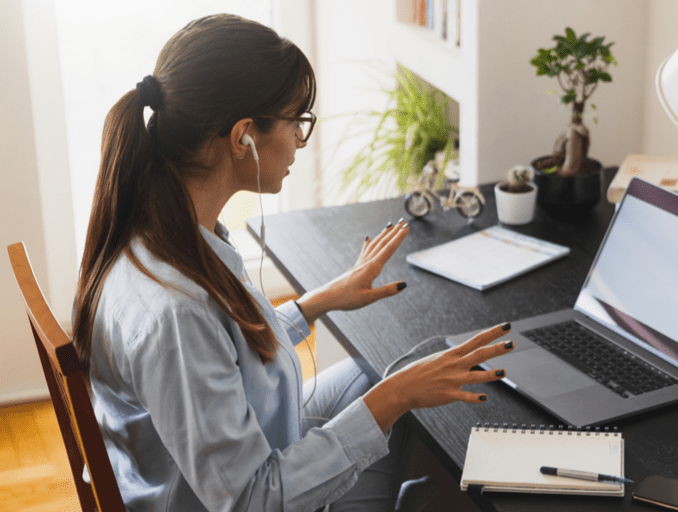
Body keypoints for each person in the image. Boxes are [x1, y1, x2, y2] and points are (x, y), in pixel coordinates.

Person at [71, 14, 512, 512]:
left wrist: (317, 303)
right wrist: (397, 398)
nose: (302, 141)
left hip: (212, 462)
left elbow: (221, 352)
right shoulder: (177, 310)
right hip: (241, 494)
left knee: (378, 375)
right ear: (245, 137)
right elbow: (251, 499)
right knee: (416, 448)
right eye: (297, 121)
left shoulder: (158, 232)